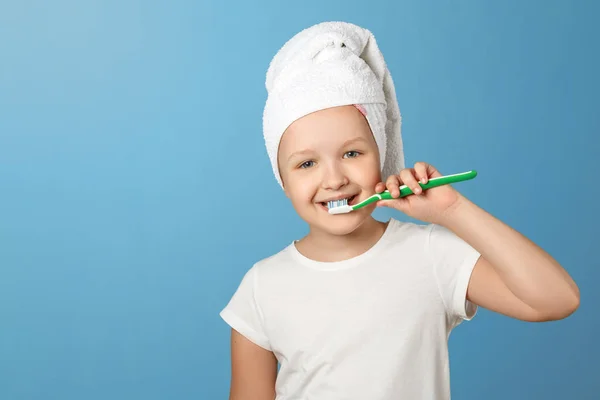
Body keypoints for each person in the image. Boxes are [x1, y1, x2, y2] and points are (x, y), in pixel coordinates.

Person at [219, 21, 580, 400]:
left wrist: (453, 210)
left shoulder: (430, 254)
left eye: (352, 153)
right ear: (283, 178)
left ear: (383, 154)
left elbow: (557, 299)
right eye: (306, 163)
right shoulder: (262, 287)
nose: (334, 179)